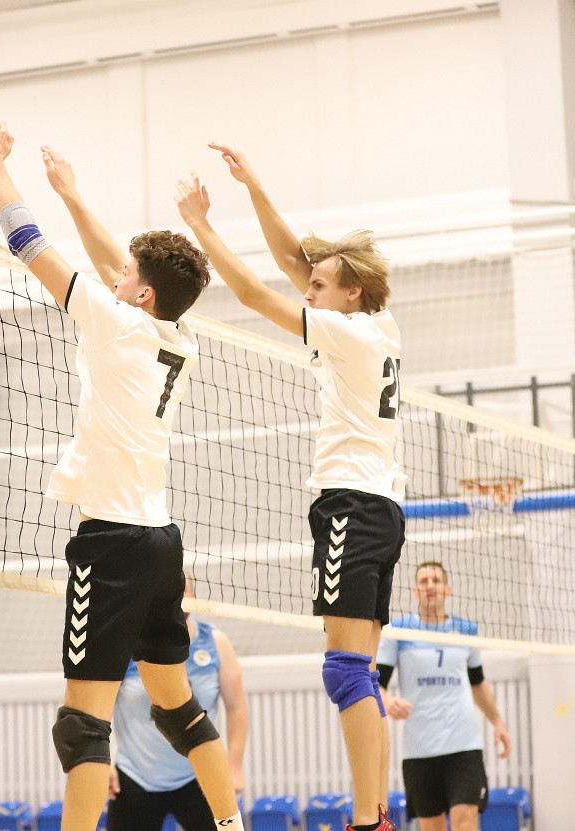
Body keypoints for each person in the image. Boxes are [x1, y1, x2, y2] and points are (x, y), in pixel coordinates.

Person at [0, 119, 243, 831]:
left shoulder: (114, 321)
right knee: (178, 708)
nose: (113, 276)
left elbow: (25, 241)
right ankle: (230, 824)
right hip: (161, 540)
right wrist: (72, 192)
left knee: (83, 723)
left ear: (142, 295)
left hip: (113, 543)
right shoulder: (178, 337)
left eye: (125, 277)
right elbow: (121, 265)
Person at [175, 145, 405, 831]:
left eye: (320, 285)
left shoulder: (346, 334)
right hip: (381, 506)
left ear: (350, 291)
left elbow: (253, 291)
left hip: (350, 504)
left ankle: (365, 818)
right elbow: (294, 260)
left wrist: (201, 226)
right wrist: (254, 186)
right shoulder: (376, 325)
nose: (309, 289)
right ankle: (375, 815)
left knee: (344, 672)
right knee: (359, 672)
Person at [377, 561, 512, 831]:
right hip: (420, 749)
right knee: (431, 826)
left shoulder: (466, 630)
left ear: (447, 589)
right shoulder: (398, 631)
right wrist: (388, 701)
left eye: (436, 581)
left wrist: (498, 722)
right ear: (415, 591)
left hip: (463, 746)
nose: (430, 586)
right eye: (424, 581)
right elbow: (377, 684)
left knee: (465, 820)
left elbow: (478, 683)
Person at [108, 577, 248, 831]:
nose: (175, 597)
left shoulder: (215, 643)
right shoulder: (126, 646)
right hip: (136, 777)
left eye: (182, 590)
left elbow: (237, 706)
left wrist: (235, 766)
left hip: (200, 775)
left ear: (194, 597)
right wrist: (103, 762)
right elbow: (98, 710)